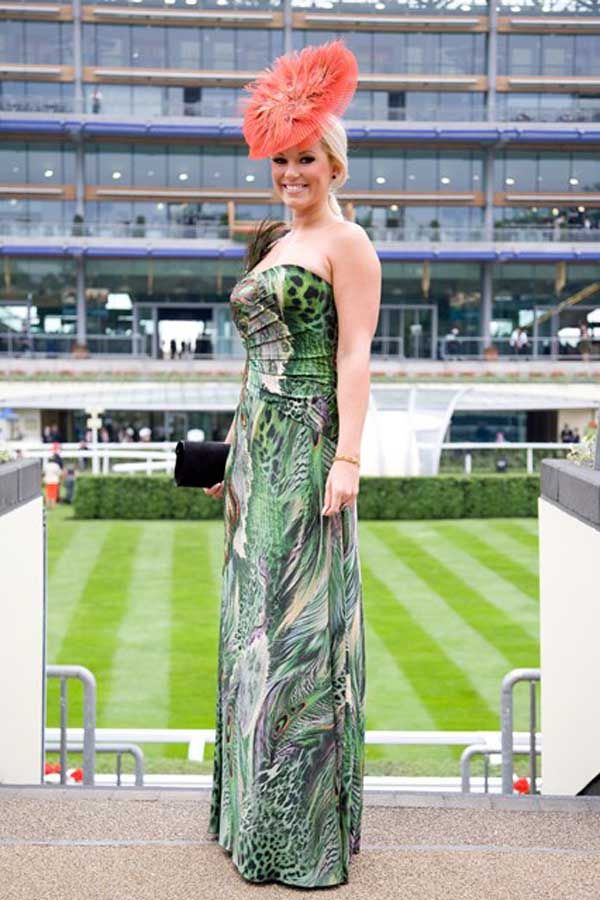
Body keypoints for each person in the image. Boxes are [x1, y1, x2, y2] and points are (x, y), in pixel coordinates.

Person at [203, 40, 380, 888]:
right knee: (249, 635)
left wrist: (347, 457)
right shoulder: (274, 241)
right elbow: (255, 362)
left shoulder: (349, 245)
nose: (290, 172)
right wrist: (230, 450)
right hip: (257, 458)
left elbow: (353, 358)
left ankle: (299, 833)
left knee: (297, 636)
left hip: (310, 449)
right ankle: (251, 822)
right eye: (281, 160)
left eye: (304, 157)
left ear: (334, 161)